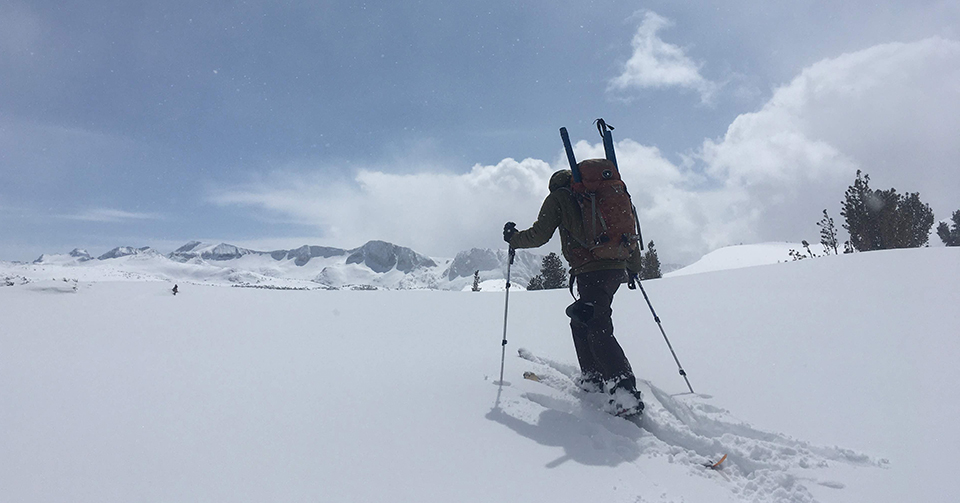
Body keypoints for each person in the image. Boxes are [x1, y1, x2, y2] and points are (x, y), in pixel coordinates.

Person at [503, 166, 644, 417]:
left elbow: (539, 235)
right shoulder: (603, 195)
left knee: (597, 324)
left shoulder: (560, 197)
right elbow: (628, 231)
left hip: (592, 269)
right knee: (582, 320)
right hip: (615, 267)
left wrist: (514, 239)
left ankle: (625, 393)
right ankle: (593, 378)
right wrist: (632, 267)